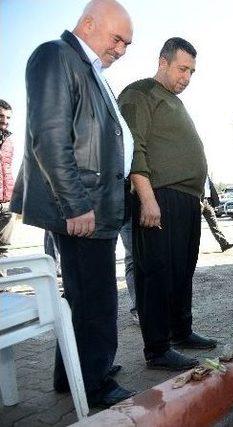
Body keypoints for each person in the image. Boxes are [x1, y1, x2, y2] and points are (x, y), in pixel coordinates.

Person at [9, 0, 135, 407]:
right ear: (88, 24)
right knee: (94, 297)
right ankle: (94, 384)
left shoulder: (88, 70)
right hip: (82, 208)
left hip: (95, 205)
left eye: (127, 44)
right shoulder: (55, 55)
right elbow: (49, 137)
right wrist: (76, 204)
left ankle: (78, 371)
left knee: (87, 296)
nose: (120, 49)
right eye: (117, 38)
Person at [118, 37, 216, 371]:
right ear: (163, 61)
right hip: (160, 195)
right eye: (182, 68)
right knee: (156, 272)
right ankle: (157, 349)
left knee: (182, 269)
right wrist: (147, 197)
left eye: (192, 71)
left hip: (187, 199)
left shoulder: (172, 100)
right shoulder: (140, 93)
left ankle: (180, 331)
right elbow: (134, 148)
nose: (187, 76)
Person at [201, 175, 233, 252]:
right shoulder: (196, 171)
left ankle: (224, 244)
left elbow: (211, 189)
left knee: (214, 224)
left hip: (208, 202)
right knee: (192, 226)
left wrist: (214, 203)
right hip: (198, 201)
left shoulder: (207, 176)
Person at [0, 100, 15, 256]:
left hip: (6, 202)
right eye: (1, 116)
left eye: (8, 117)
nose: (5, 121)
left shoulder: (9, 141)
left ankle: (2, 278)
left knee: (3, 248)